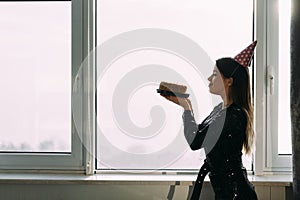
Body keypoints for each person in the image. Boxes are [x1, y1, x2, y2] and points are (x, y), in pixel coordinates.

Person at [161, 41, 258, 200]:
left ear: (229, 81)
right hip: (227, 191)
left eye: (214, 74)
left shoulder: (233, 115)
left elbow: (195, 141)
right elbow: (200, 132)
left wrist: (186, 108)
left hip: (236, 194)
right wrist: (187, 106)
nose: (209, 78)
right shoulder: (221, 109)